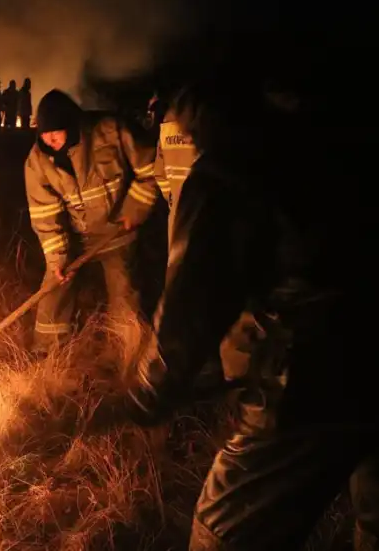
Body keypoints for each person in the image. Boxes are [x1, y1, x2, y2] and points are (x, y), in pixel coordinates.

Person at [116, 76, 379, 551]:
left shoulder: (229, 171)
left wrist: (150, 391)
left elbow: (193, 301)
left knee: (224, 533)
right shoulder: (345, 129)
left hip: (316, 376)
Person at [25, 89, 160, 351]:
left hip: (116, 232)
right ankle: (48, 353)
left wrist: (135, 208)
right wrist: (58, 259)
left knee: (125, 293)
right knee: (54, 290)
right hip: (75, 239)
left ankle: (127, 353)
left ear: (72, 124)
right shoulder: (37, 162)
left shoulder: (111, 133)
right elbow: (44, 215)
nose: (49, 139)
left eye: (56, 131)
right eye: (44, 132)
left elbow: (153, 169)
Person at [152, 91, 199, 244]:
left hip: (177, 214)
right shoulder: (208, 116)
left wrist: (173, 198)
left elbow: (159, 172)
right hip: (205, 213)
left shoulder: (168, 120)